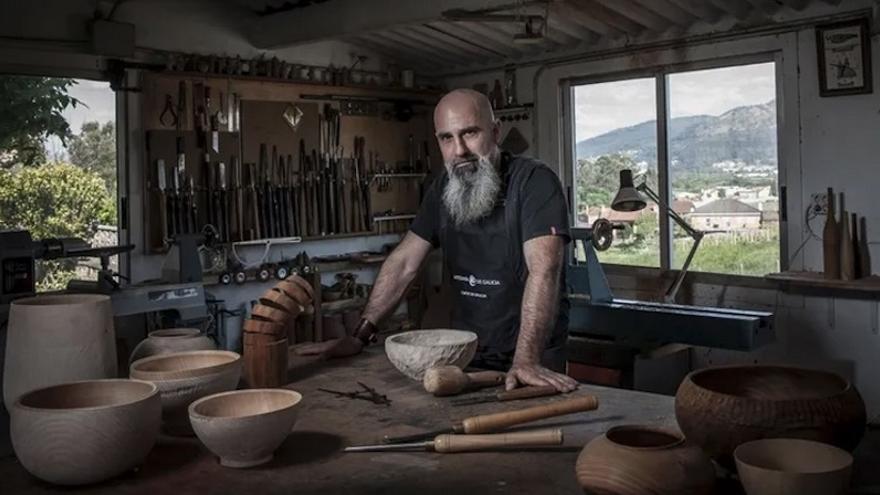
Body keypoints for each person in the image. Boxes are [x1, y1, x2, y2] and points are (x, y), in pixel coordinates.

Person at [297, 88, 577, 393]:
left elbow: (544, 270)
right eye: (447, 138)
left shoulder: (534, 183)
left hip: (531, 359)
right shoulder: (444, 187)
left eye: (470, 133)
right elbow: (404, 263)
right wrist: (359, 335)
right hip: (465, 356)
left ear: (495, 132)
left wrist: (526, 360)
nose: (459, 150)